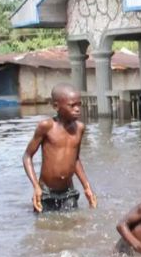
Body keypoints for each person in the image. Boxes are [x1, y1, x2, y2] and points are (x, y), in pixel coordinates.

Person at [22, 83, 96, 212]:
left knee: (73, 226)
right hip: (46, 192)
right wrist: (36, 187)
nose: (77, 109)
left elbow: (76, 159)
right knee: (44, 228)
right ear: (56, 106)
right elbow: (27, 156)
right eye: (72, 105)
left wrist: (86, 186)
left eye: (79, 104)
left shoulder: (79, 128)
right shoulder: (46, 127)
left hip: (68, 192)